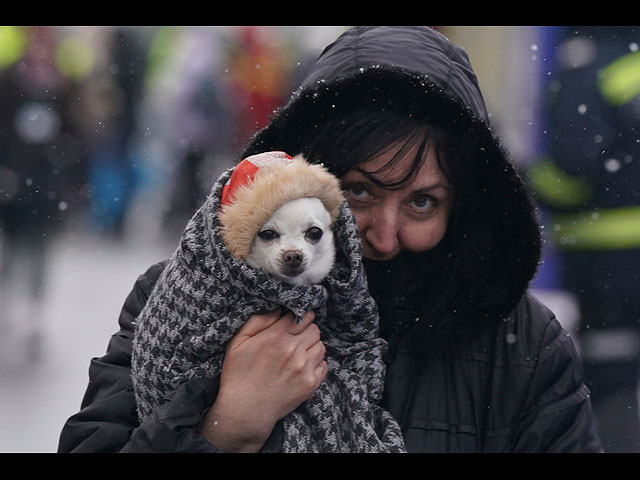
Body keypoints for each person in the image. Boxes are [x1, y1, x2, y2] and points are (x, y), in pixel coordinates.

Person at [58, 26, 603, 453]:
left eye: (422, 202)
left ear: (461, 209)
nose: (384, 237)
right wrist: (225, 428)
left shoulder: (524, 347)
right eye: (360, 192)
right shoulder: (179, 300)